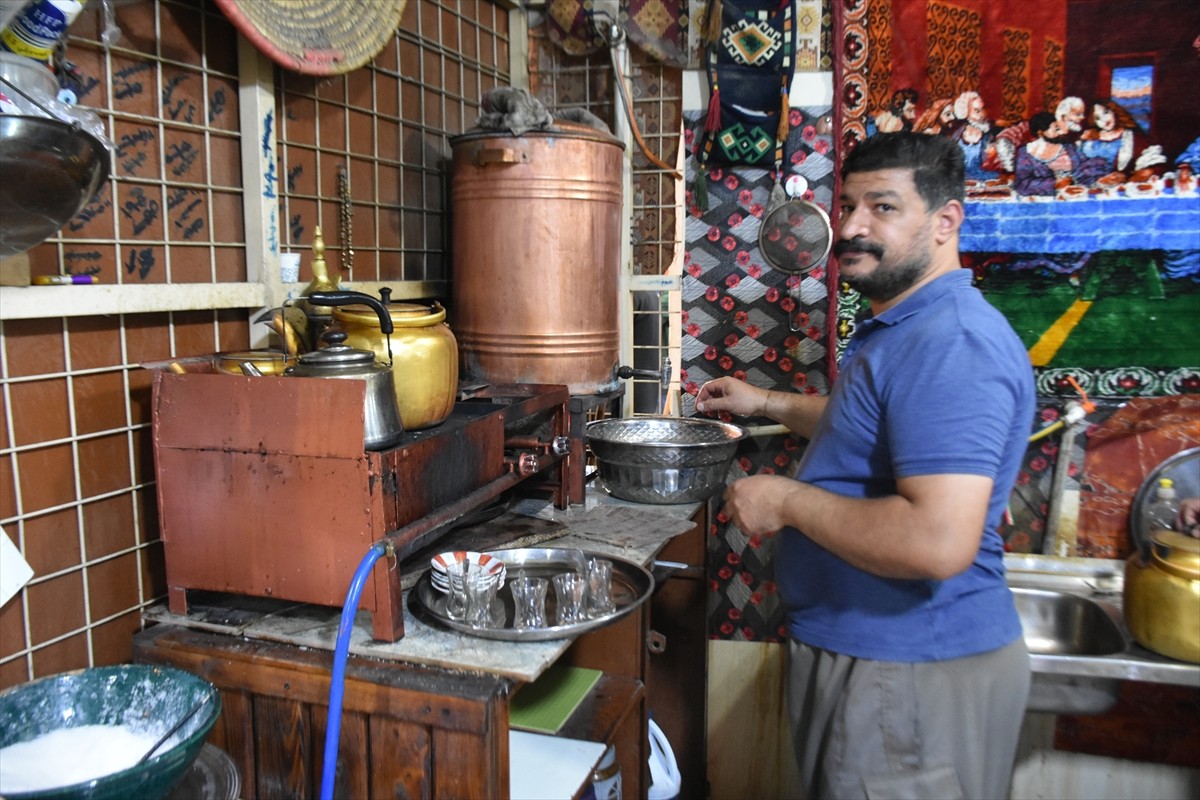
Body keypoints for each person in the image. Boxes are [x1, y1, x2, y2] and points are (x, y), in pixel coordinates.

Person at [695, 132, 1035, 800]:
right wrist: (765, 401)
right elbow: (877, 428)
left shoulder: (952, 344)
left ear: (946, 222)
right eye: (847, 204)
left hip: (905, 674)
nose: (851, 226)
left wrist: (786, 503)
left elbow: (936, 541)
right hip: (881, 663)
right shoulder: (908, 328)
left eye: (882, 207)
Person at [1014, 111, 1109, 197]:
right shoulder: (1026, 153)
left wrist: (1102, 177)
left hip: (1076, 196)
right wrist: (1054, 184)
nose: (1060, 132)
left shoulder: (1068, 147)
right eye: (1055, 130)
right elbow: (1022, 185)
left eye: (1058, 128)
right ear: (1040, 133)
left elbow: (1085, 167)